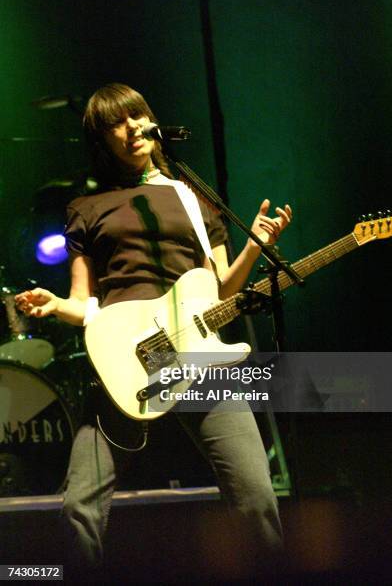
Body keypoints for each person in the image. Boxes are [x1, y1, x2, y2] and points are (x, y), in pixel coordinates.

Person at [15, 83, 292, 579]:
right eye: (117, 123)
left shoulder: (192, 196)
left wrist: (255, 246)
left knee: (255, 495)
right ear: (103, 140)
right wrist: (57, 305)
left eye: (138, 115)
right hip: (126, 354)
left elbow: (222, 289)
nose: (133, 128)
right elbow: (84, 302)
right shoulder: (87, 208)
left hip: (199, 353)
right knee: (81, 504)